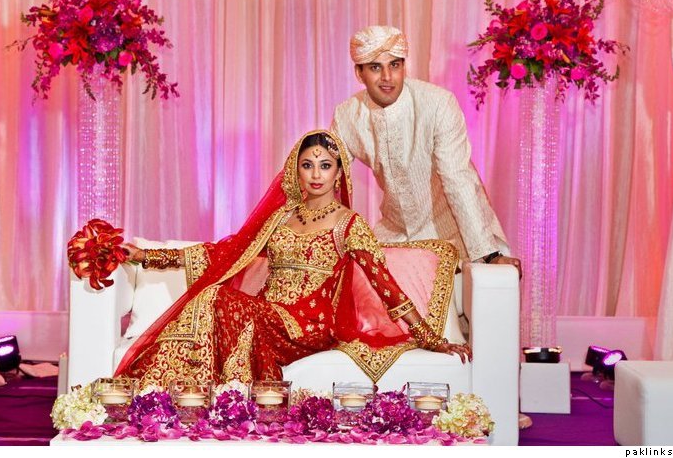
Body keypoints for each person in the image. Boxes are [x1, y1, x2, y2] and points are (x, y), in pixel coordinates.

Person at [115, 130, 470, 388]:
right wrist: (148, 256)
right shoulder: (281, 218)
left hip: (309, 326)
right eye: (308, 165)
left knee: (218, 299)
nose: (316, 174)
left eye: (325, 166)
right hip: (269, 315)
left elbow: (384, 284)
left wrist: (430, 337)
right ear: (295, 170)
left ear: (338, 173)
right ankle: (180, 393)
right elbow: (226, 253)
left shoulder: (349, 224)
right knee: (213, 297)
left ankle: (194, 394)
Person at [330, 25, 522, 275]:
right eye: (376, 67)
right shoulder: (347, 116)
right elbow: (327, 178)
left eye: (395, 65)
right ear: (359, 73)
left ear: (404, 66)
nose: (387, 77)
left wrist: (488, 253)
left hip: (453, 234)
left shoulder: (437, 104)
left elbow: (457, 177)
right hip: (395, 234)